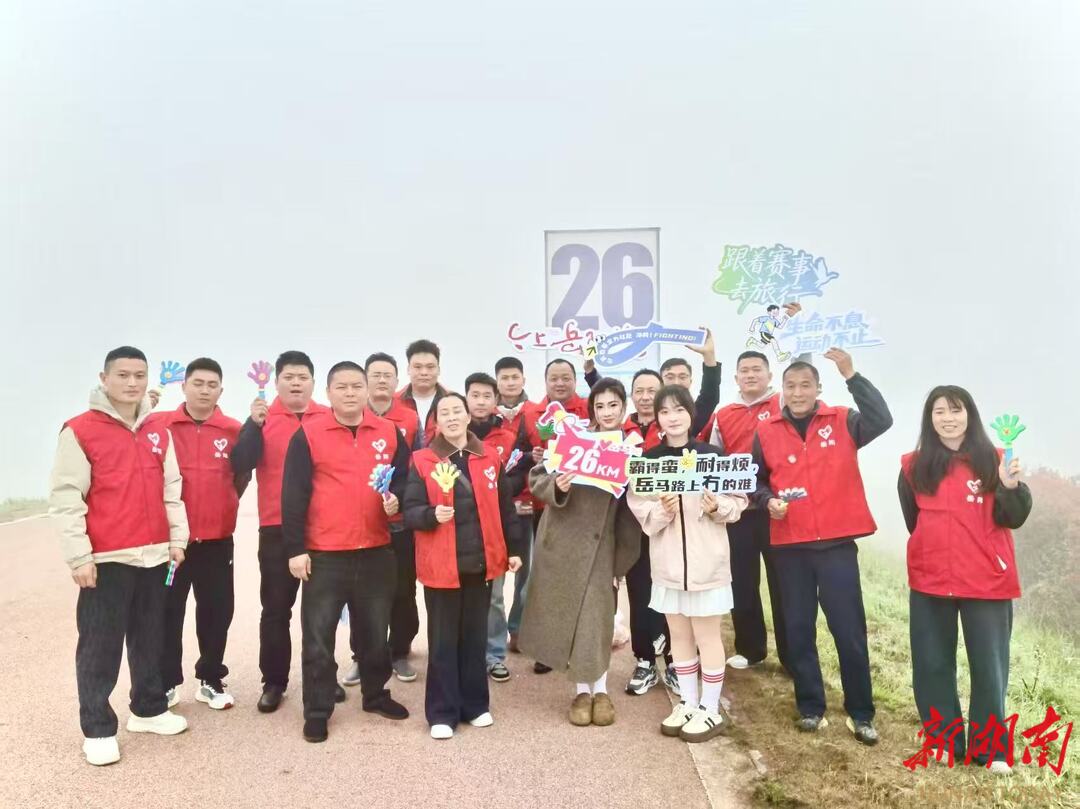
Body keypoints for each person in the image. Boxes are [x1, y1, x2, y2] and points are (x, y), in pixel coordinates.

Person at [49, 346, 190, 766]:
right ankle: (97, 728)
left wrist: (177, 539)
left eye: (139, 375)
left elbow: (172, 488)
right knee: (100, 645)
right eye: (123, 375)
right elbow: (66, 498)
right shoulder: (80, 430)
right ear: (104, 378)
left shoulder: (158, 430)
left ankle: (148, 709)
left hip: (154, 555)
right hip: (107, 558)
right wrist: (79, 557)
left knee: (150, 637)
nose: (132, 383)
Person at [750, 348, 892, 745]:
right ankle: (811, 707)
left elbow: (882, 419)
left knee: (849, 631)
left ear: (818, 388)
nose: (797, 393)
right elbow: (755, 480)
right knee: (798, 629)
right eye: (791, 386)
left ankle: (861, 713)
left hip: (836, 545)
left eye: (805, 385)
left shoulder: (844, 420)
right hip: (790, 546)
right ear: (782, 389)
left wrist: (852, 374)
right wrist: (767, 501)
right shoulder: (766, 431)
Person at [899, 386, 1032, 774]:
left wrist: (1011, 486)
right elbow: (913, 520)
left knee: (989, 667)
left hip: (987, 580)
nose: (948, 418)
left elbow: (1013, 517)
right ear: (929, 419)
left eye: (956, 410)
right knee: (932, 663)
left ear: (970, 415)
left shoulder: (996, 460)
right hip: (931, 579)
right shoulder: (913, 466)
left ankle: (991, 749)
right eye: (939, 411)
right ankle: (943, 740)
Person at [281, 361, 410, 742]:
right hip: (325, 554)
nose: (350, 393)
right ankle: (317, 709)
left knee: (375, 632)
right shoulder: (308, 434)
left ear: (368, 390)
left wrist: (397, 500)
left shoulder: (388, 432)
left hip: (376, 550)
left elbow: (405, 480)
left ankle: (375, 694)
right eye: (342, 387)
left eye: (357, 386)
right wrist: (295, 549)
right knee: (318, 637)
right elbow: (293, 494)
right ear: (329, 392)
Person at [518, 378, 641, 726]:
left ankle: (599, 690)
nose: (607, 412)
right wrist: (557, 484)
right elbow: (537, 478)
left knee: (596, 619)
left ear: (624, 407)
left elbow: (634, 506)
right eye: (600, 406)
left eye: (613, 405)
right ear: (592, 410)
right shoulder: (574, 440)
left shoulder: (631, 449)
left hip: (603, 545)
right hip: (563, 542)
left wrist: (622, 559)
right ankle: (580, 692)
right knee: (567, 616)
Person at [628, 384, 748, 742]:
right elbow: (641, 510)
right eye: (665, 411)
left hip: (708, 565)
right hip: (667, 567)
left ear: (691, 414)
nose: (672, 417)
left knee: (707, 637)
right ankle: (688, 703)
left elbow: (738, 501)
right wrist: (662, 511)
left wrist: (717, 507)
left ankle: (711, 709)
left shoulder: (713, 456)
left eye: (679, 409)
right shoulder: (649, 461)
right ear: (657, 418)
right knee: (678, 636)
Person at [404, 393, 524, 738]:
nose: (452, 417)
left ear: (468, 416)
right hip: (441, 566)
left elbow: (506, 509)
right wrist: (431, 515)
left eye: (458, 410)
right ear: (436, 422)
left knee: (474, 638)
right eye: (445, 413)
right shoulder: (423, 460)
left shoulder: (489, 458)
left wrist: (514, 548)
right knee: (443, 641)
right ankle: (442, 712)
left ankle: (475, 705)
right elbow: (410, 511)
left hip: (480, 563)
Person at [230, 350, 331, 713]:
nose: (296, 383)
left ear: (313, 383)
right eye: (289, 377)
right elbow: (240, 462)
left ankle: (324, 677)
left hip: (324, 528)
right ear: (276, 383)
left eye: (303, 377)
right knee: (275, 610)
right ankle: (274, 682)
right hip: (276, 528)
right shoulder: (263, 417)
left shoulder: (329, 417)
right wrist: (252, 424)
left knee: (323, 612)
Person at [149, 357, 245, 711]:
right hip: (173, 544)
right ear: (184, 386)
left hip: (217, 542)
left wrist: (223, 506)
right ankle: (166, 682)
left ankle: (210, 679)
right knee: (167, 612)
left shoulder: (233, 430)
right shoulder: (161, 424)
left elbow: (241, 476)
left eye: (212, 385)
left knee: (217, 612)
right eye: (198, 383)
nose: (205, 390)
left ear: (221, 390)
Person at [698, 350, 788, 672]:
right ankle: (750, 649)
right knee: (742, 581)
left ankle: (792, 655)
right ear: (736, 378)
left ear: (769, 375)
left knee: (784, 584)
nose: (750, 375)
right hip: (739, 511)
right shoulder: (724, 414)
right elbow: (713, 456)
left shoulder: (782, 404)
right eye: (744, 370)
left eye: (756, 369)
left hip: (777, 509)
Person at [342, 352, 422, 687]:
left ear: (397, 380)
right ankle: (361, 657)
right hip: (360, 523)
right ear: (365, 380)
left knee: (403, 591)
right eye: (375, 374)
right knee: (360, 595)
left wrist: (400, 498)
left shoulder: (410, 419)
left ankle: (399, 652)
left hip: (398, 523)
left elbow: (416, 466)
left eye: (388, 375)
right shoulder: (349, 417)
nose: (381, 380)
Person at [520, 358, 593, 674]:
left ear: (575, 380)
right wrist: (532, 455)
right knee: (548, 579)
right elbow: (519, 455)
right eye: (554, 378)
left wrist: (592, 371)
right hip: (546, 507)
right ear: (545, 380)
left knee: (581, 579)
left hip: (584, 509)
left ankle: (578, 645)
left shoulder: (589, 408)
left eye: (566, 377)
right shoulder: (532, 414)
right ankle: (546, 650)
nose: (560, 383)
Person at [462, 371, 533, 682]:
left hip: (497, 525)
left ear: (495, 400)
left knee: (495, 595)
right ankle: (466, 651)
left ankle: (494, 654)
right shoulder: (453, 434)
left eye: (486, 396)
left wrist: (496, 487)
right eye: (474, 395)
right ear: (466, 398)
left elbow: (518, 475)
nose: (480, 401)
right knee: (462, 593)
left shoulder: (508, 437)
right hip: (462, 527)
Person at [620, 368, 674, 696]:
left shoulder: (672, 425)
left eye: (651, 390)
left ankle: (675, 660)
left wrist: (711, 363)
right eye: (638, 390)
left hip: (670, 526)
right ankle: (645, 661)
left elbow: (707, 400)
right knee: (640, 594)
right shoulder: (619, 430)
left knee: (673, 592)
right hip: (633, 526)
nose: (644, 397)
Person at [488, 357, 537, 668]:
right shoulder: (485, 414)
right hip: (491, 508)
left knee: (526, 574)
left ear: (523, 379)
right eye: (504, 377)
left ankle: (518, 629)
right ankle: (492, 640)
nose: (509, 382)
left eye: (514, 377)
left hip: (526, 503)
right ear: (497, 381)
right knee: (494, 575)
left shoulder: (535, 413)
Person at [396, 339, 447, 447]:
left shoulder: (454, 402)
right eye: (418, 367)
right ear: (408, 369)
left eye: (430, 367)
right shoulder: (393, 402)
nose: (424, 372)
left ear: (439, 369)